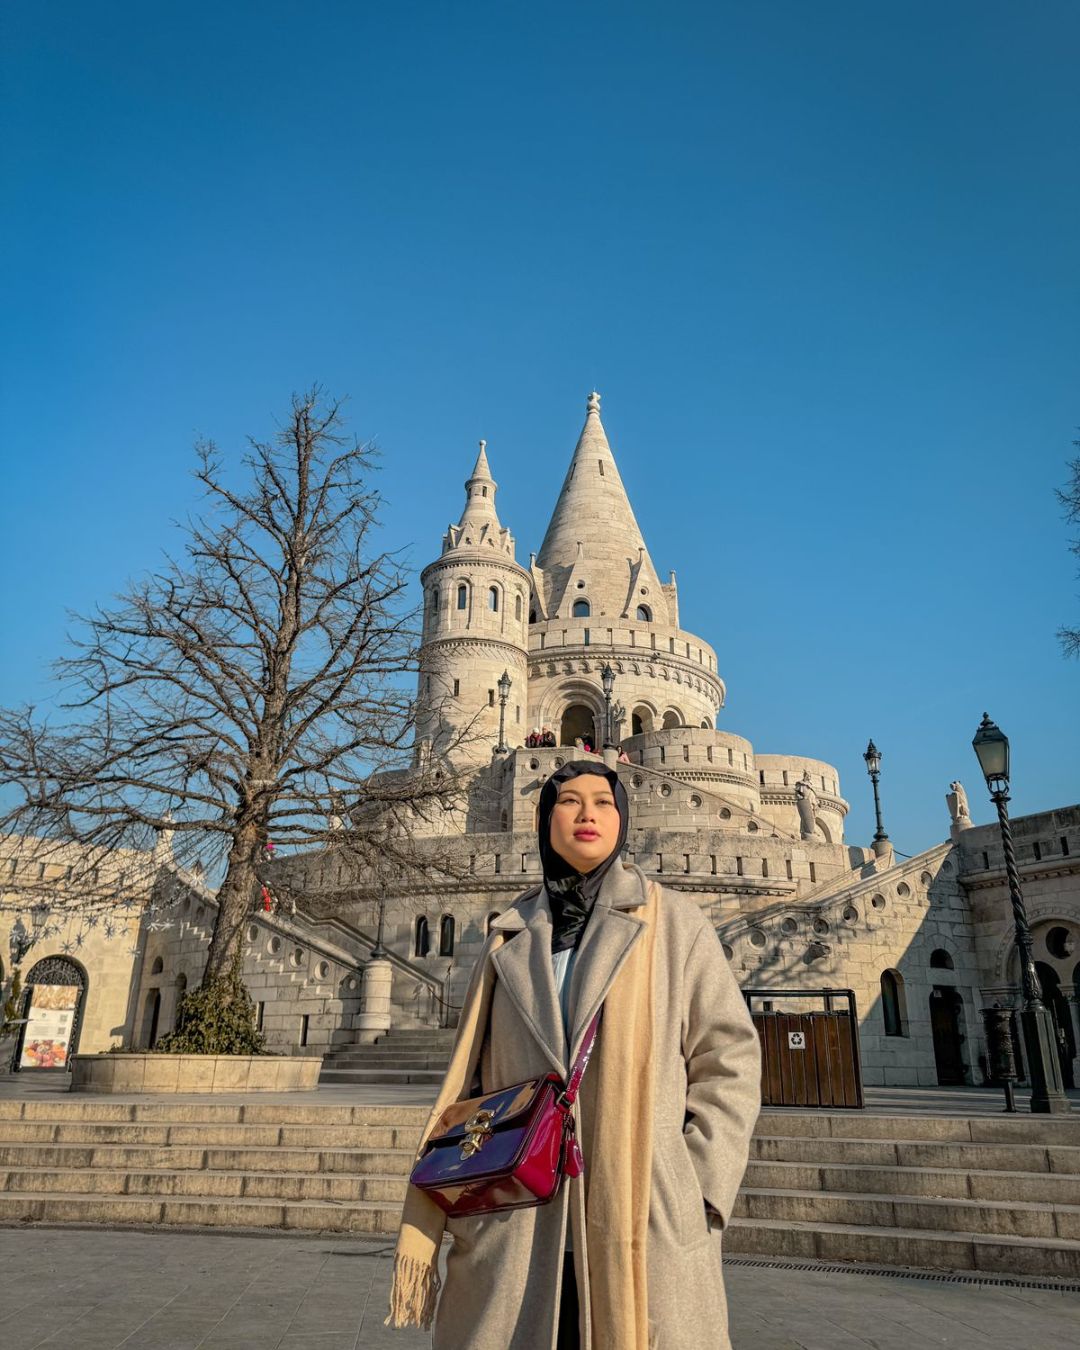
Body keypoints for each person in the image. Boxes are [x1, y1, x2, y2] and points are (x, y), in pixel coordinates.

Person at [386, 761, 762, 1349]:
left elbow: (729, 1057)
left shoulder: (676, 925)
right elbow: (472, 1079)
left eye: (604, 803)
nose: (588, 814)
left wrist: (700, 1188)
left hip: (643, 1209)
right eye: (569, 801)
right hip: (515, 1219)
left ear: (623, 821)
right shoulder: (507, 934)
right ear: (543, 819)